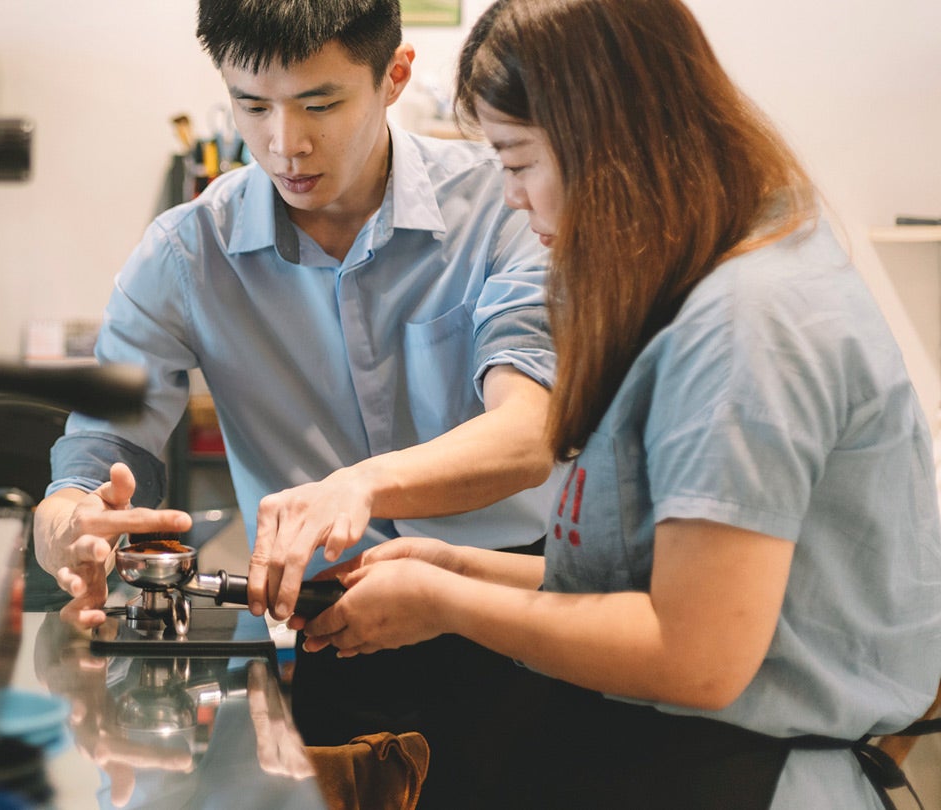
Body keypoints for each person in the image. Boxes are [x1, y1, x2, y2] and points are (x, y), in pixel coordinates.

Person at [295, 0, 941, 807]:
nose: (513, 197)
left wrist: (447, 602)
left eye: (520, 161)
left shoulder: (747, 322)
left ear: (612, 142)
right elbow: (652, 587)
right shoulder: (703, 284)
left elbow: (695, 653)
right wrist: (451, 567)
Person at [33, 2, 564, 804]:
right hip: (329, 642)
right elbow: (104, 445)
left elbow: (530, 433)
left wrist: (359, 484)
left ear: (394, 77)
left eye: (319, 103)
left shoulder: (506, 207)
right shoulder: (187, 252)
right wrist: (69, 524)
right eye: (252, 106)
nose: (285, 143)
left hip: (512, 619)